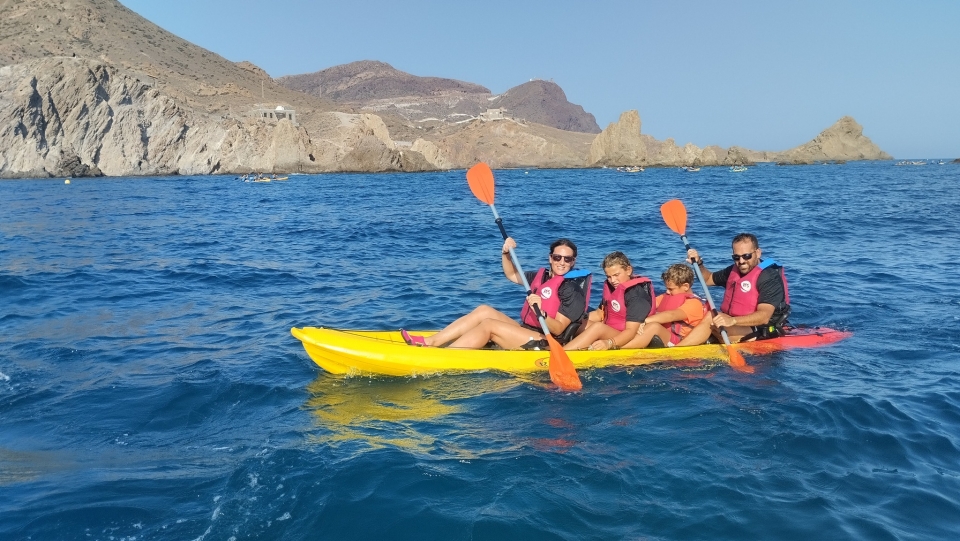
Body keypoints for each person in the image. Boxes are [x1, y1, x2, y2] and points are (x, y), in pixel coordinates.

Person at [401, 237, 591, 349]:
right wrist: (506, 253)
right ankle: (431, 341)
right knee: (484, 310)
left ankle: (448, 354)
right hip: (527, 331)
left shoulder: (572, 290)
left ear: (573, 262)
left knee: (490, 325)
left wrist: (541, 311)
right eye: (557, 257)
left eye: (567, 259)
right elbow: (511, 274)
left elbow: (558, 329)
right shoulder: (540, 276)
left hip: (547, 343)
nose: (562, 262)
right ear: (550, 258)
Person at [678, 232, 790, 345]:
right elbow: (708, 279)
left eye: (746, 256)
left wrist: (732, 321)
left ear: (758, 253)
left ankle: (676, 352)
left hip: (761, 331)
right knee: (706, 314)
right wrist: (699, 263)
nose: (741, 261)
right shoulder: (735, 270)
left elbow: (764, 316)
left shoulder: (769, 277)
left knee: (711, 317)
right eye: (736, 257)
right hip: (736, 325)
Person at [563, 251, 654, 351]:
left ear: (628, 270)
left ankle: (561, 355)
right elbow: (598, 314)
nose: (613, 280)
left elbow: (631, 331)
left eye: (616, 275)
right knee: (578, 322)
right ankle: (560, 345)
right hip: (612, 330)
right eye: (609, 277)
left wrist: (609, 343)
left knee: (598, 327)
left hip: (627, 338)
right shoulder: (613, 289)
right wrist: (571, 318)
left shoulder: (636, 295)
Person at [625, 263, 708, 348]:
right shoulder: (667, 296)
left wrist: (645, 321)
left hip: (678, 341)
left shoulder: (694, 303)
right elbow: (649, 304)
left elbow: (672, 315)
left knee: (654, 327)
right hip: (664, 334)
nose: (667, 292)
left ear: (685, 286)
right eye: (666, 288)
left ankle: (621, 348)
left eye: (671, 289)